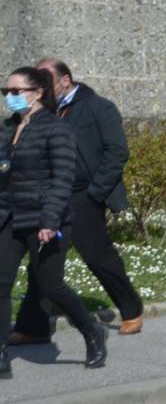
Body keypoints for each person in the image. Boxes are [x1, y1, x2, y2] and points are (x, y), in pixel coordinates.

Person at [9, 59, 145, 346]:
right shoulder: (39, 113)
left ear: (65, 81)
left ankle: (131, 309)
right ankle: (34, 327)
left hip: (83, 194)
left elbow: (116, 151)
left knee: (97, 255)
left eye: (47, 82)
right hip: (47, 196)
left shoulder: (98, 107)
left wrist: (96, 192)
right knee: (41, 263)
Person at [0, 65, 109, 376]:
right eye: (6, 92)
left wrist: (50, 220)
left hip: (43, 217)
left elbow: (62, 179)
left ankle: (92, 332)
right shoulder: (7, 128)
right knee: (1, 283)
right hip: (9, 216)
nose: (10, 97)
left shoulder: (56, 129)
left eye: (16, 91)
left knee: (51, 284)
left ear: (38, 93)